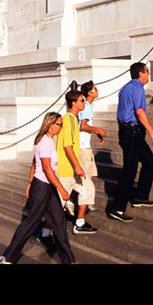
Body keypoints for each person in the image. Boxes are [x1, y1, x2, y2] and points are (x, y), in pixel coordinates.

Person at [0, 113, 75, 264]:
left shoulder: (47, 141)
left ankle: (69, 260)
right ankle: (7, 257)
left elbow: (35, 163)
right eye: (59, 124)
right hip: (43, 186)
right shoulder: (45, 142)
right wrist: (62, 189)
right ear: (51, 124)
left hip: (46, 186)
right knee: (31, 222)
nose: (61, 128)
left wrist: (29, 183)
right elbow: (47, 169)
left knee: (59, 222)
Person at [109, 62, 153, 223]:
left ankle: (140, 196)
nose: (148, 75)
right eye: (147, 72)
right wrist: (152, 131)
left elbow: (122, 111)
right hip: (132, 132)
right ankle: (117, 208)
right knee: (129, 171)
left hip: (128, 131)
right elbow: (139, 111)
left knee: (149, 162)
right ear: (141, 73)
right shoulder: (137, 88)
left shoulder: (125, 87)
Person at [56, 90, 97, 234]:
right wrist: (77, 165)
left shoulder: (74, 119)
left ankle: (79, 223)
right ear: (73, 103)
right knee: (59, 202)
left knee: (88, 189)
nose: (84, 103)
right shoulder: (67, 119)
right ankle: (45, 231)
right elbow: (67, 146)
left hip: (73, 169)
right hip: (65, 169)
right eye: (81, 100)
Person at [78, 82, 107, 212]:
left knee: (88, 175)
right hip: (83, 146)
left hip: (82, 145)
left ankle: (85, 201)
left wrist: (96, 132)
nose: (97, 90)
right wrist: (98, 130)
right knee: (87, 176)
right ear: (89, 93)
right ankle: (85, 202)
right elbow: (83, 126)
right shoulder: (87, 107)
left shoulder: (85, 106)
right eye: (95, 89)